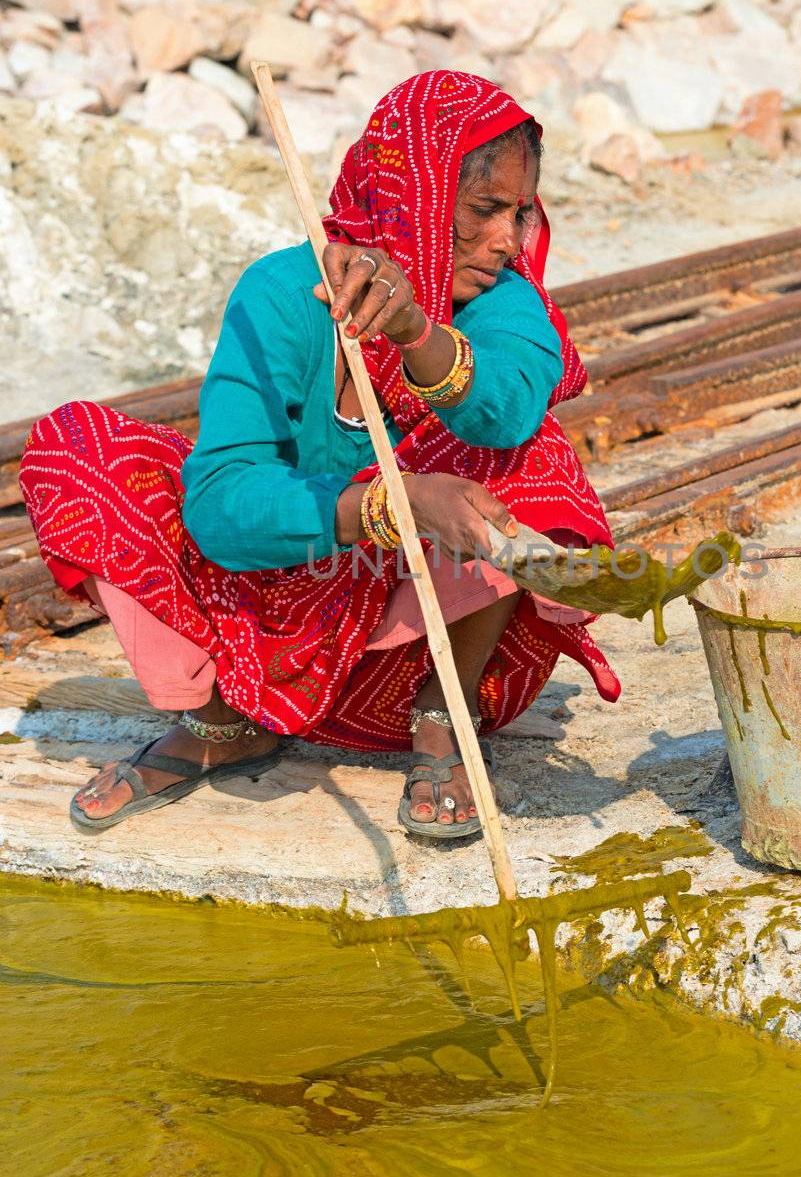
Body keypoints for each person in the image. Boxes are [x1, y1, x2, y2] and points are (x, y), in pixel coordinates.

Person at [20, 71, 620, 842]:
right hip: (256, 615)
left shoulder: (507, 301)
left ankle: (443, 717)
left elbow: (505, 409)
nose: (510, 239)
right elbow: (217, 504)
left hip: (402, 654)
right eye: (484, 210)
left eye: (520, 211)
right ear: (419, 197)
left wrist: (413, 328)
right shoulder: (281, 293)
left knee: (531, 453)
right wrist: (385, 504)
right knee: (74, 445)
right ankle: (223, 721)